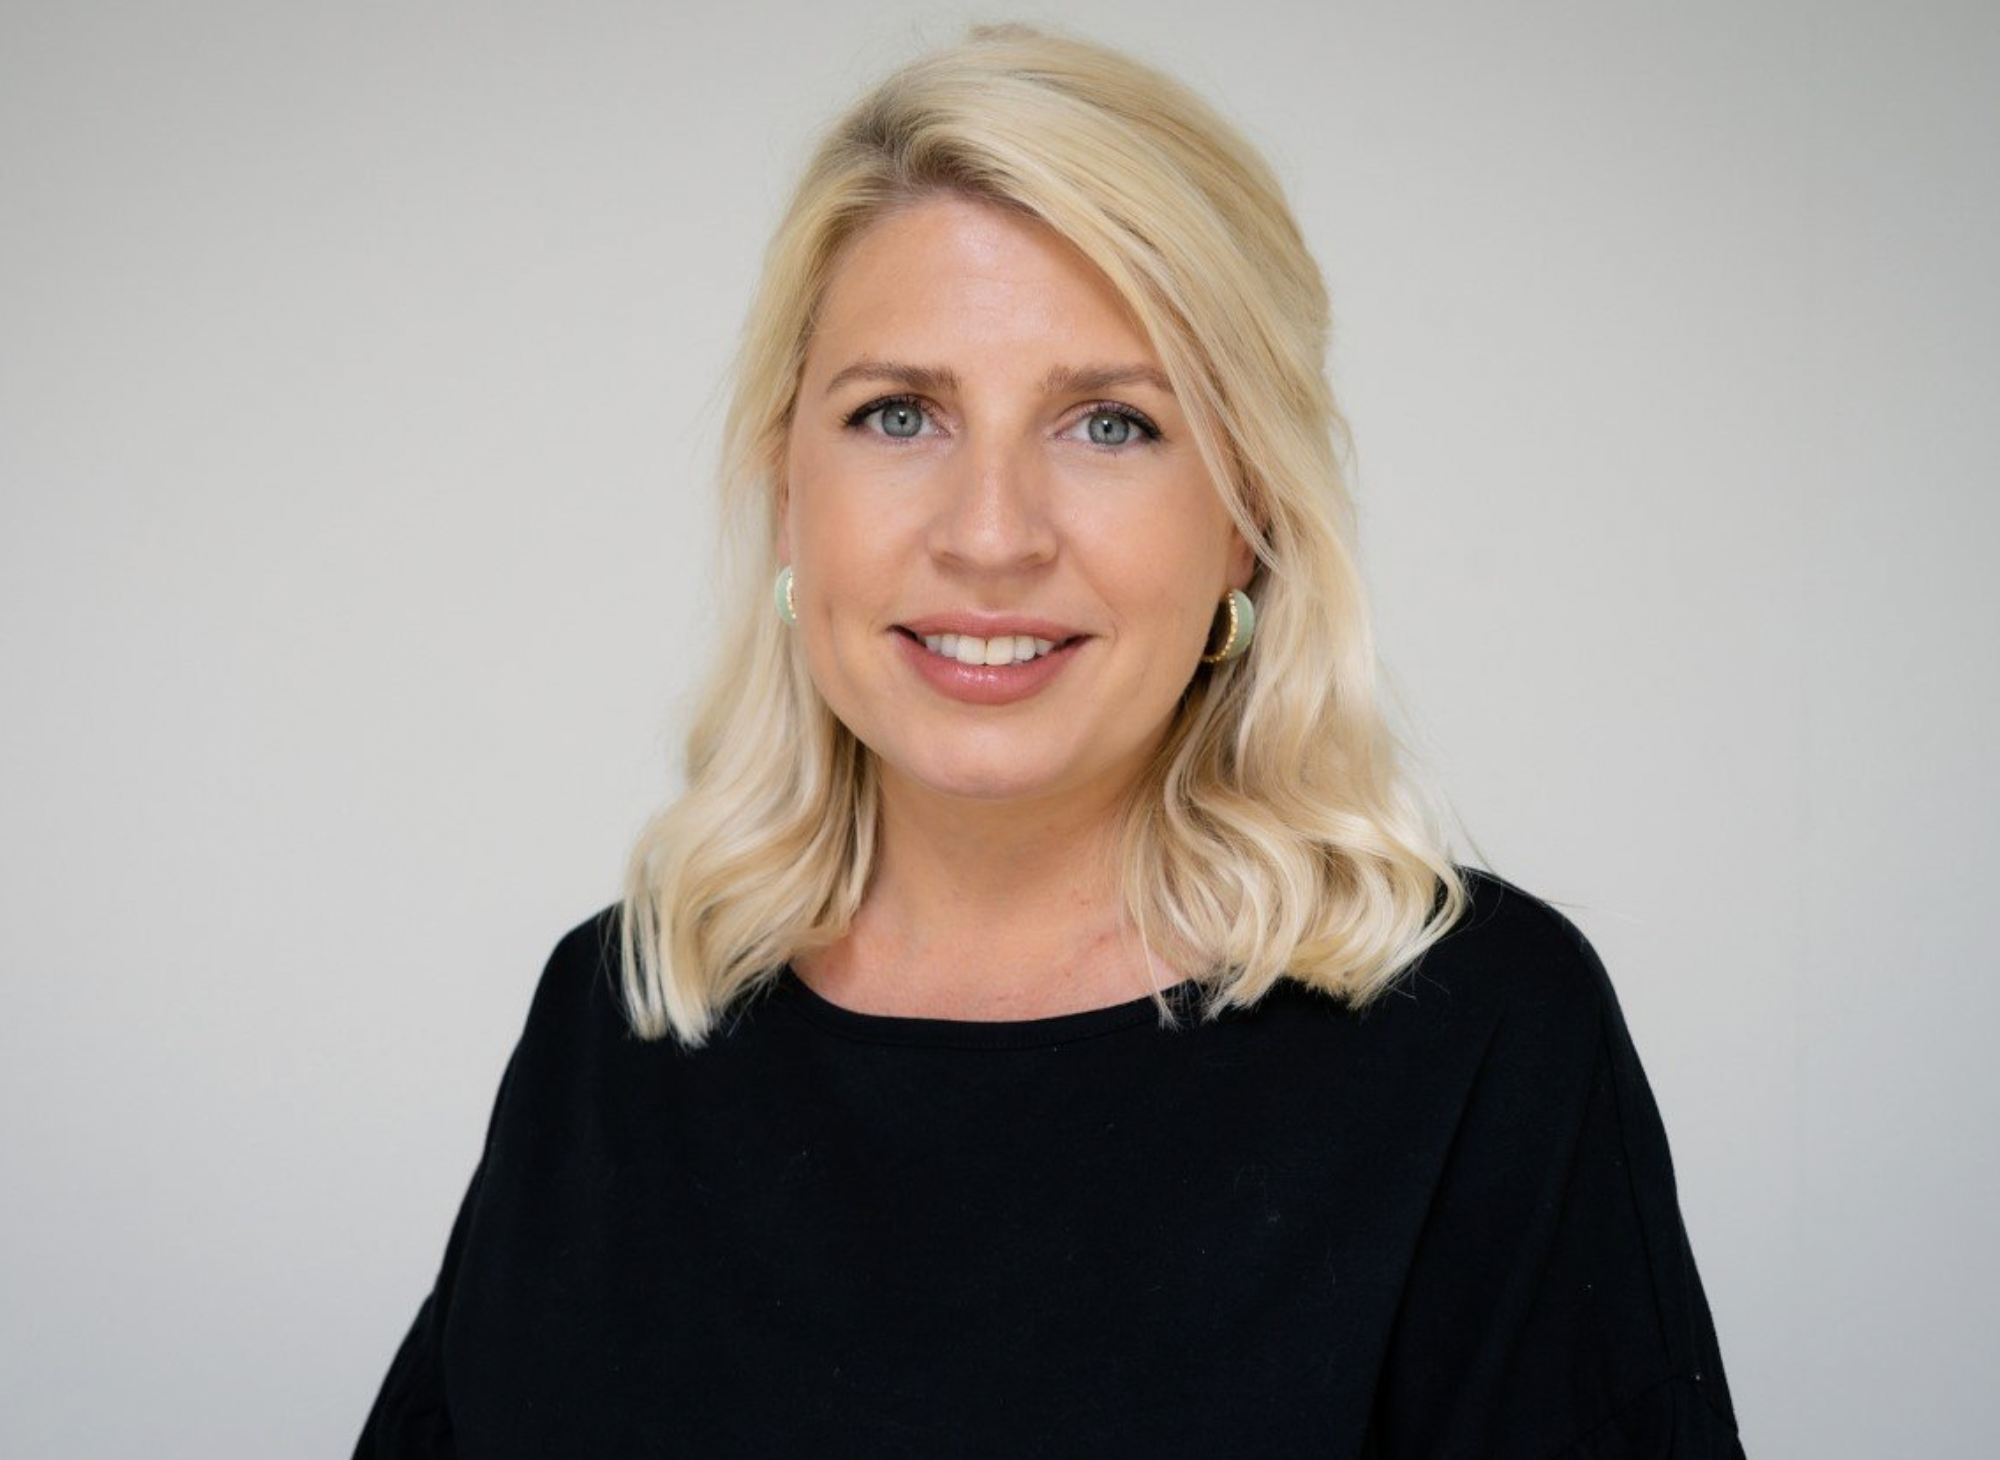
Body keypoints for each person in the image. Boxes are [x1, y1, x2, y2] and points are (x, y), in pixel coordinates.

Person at [355, 24, 1743, 1459]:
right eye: (900, 414)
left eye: (1110, 425)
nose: (991, 535)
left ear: (1250, 520)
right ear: (787, 495)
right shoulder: (623, 1015)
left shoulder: (1483, 1044)